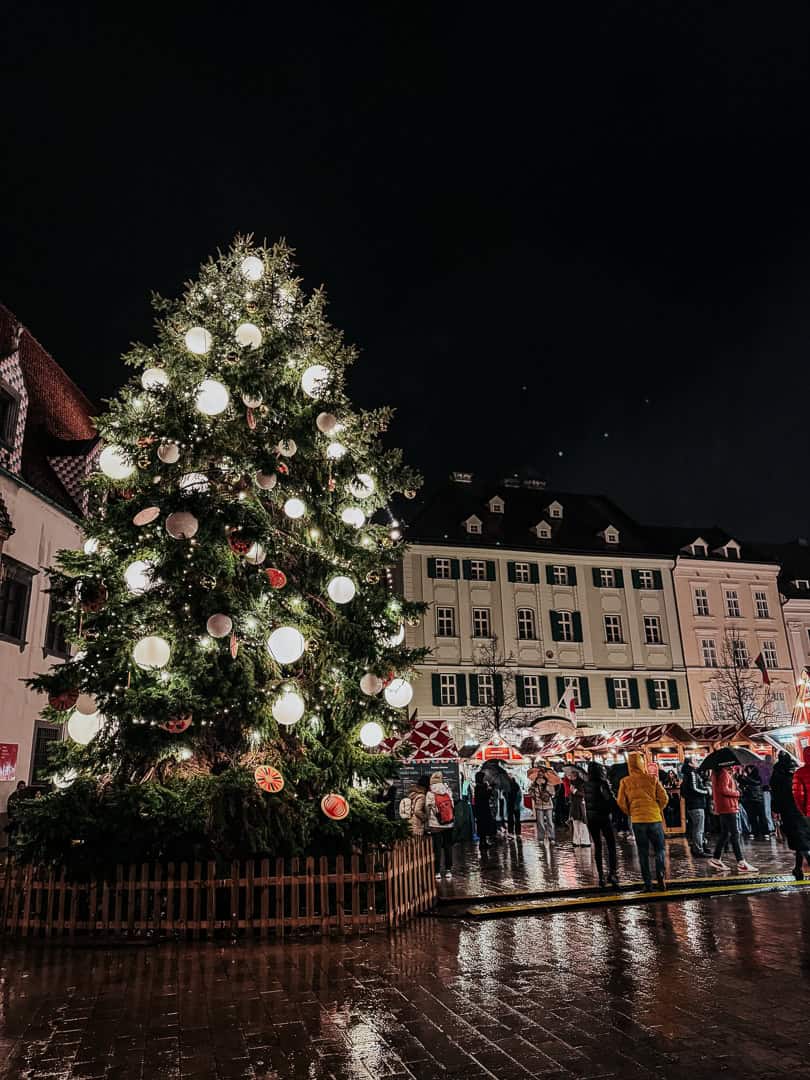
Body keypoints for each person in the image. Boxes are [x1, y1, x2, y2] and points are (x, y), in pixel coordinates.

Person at [616, 752, 669, 890]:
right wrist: (657, 809)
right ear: (642, 764)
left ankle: (648, 884)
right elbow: (664, 798)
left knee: (643, 852)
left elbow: (621, 802)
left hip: (638, 821)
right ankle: (661, 876)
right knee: (659, 850)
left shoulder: (625, 781)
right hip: (654, 819)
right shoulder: (652, 779)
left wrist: (631, 812)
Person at [708, 764, 758, 873]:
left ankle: (716, 858)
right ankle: (741, 862)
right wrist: (737, 793)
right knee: (735, 834)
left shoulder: (716, 773)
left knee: (725, 834)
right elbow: (724, 790)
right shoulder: (724, 773)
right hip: (729, 807)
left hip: (722, 807)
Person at [771, 751, 810, 880]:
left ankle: (798, 868)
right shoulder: (794, 773)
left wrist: (775, 811)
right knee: (802, 841)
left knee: (800, 842)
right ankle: (798, 868)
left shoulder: (777, 776)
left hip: (789, 813)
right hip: (801, 812)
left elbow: (776, 797)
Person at [584, 761, 618, 887]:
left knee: (597, 846)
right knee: (611, 845)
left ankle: (601, 876)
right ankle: (612, 874)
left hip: (591, 819)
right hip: (604, 817)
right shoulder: (602, 784)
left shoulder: (586, 785)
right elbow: (610, 799)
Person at [425, 771, 455, 879]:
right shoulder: (448, 790)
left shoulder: (430, 793)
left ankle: (437, 872)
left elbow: (427, 810)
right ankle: (448, 871)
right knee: (448, 847)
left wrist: (428, 821)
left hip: (435, 825)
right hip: (449, 824)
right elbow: (452, 805)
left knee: (437, 848)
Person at [681, 758, 711, 857]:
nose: (697, 762)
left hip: (693, 804)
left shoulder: (688, 773)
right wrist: (707, 792)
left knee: (696, 828)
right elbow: (694, 788)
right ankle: (699, 850)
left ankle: (698, 847)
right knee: (699, 828)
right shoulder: (691, 773)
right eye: (694, 761)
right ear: (690, 764)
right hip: (696, 804)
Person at [739, 765, 769, 839]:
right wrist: (740, 775)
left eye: (749, 769)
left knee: (762, 817)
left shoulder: (757, 777)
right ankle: (755, 832)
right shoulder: (746, 778)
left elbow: (755, 782)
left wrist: (746, 777)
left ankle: (765, 832)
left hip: (758, 799)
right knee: (752, 817)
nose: (748, 770)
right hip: (749, 799)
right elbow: (740, 781)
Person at [529, 772, 556, 843]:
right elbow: (530, 791)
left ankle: (551, 837)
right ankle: (541, 837)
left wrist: (547, 792)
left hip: (548, 805)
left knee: (550, 821)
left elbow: (553, 793)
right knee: (540, 822)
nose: (540, 775)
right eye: (539, 774)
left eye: (541, 774)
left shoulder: (549, 783)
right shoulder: (534, 784)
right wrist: (533, 794)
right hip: (538, 805)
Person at [473, 770, 496, 852]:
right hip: (483, 810)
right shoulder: (480, 787)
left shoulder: (479, 786)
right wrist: (489, 789)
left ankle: (483, 842)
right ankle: (482, 843)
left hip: (481, 810)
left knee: (483, 826)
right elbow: (485, 796)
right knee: (483, 826)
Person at [569, 773, 590, 847]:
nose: (570, 777)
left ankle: (585, 841)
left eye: (572, 775)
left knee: (582, 823)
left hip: (580, 805)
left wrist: (574, 791)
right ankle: (576, 841)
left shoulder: (581, 784)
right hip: (574, 806)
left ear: (575, 776)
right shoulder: (572, 784)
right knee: (575, 823)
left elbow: (583, 794)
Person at [757, 753, 776, 835]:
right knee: (772, 809)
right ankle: (773, 826)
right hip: (772, 790)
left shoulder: (763, 768)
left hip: (766, 791)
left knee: (767, 810)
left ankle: (770, 827)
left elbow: (762, 780)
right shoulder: (773, 768)